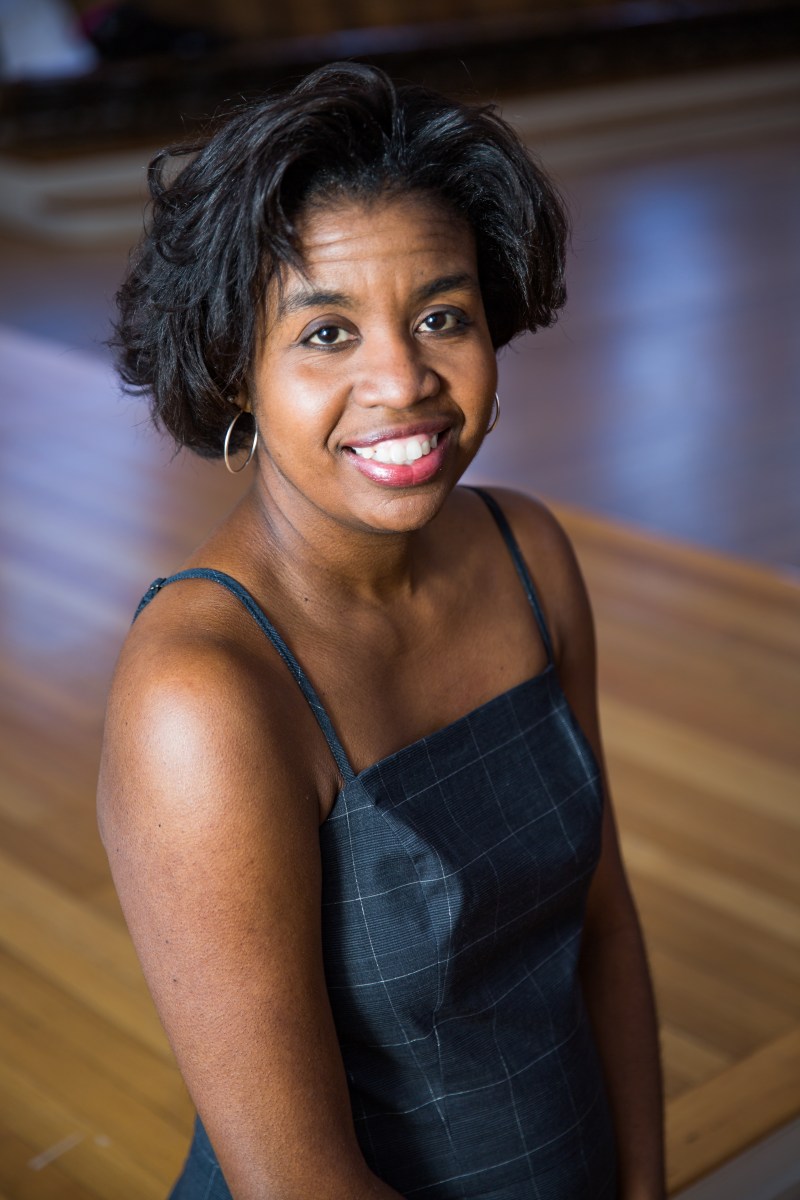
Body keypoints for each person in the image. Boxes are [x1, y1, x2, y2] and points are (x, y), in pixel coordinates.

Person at [98, 61, 665, 1199]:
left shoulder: (528, 553)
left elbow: (602, 925)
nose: (403, 381)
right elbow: (295, 1182)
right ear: (235, 369)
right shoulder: (201, 698)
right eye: (326, 333)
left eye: (440, 317)